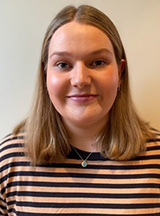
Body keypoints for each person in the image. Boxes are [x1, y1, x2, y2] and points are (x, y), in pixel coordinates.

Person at [0, 4, 160, 216]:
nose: (80, 80)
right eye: (63, 65)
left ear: (120, 73)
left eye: (98, 62)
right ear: (46, 75)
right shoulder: (10, 160)